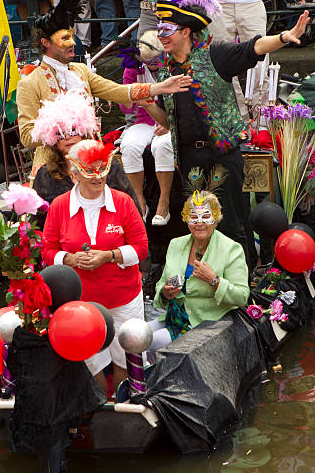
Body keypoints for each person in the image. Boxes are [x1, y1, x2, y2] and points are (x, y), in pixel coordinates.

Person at [141, 0, 311, 254]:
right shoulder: (165, 72)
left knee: (232, 223)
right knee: (197, 224)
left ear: (185, 32)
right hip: (189, 157)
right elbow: (168, 121)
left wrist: (284, 37)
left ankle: (241, 285)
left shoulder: (214, 56)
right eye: (159, 31)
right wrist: (147, 101)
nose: (161, 36)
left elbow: (252, 48)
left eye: (167, 30)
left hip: (222, 155)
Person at [16, 0, 193, 177]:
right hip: (54, 170)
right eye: (65, 38)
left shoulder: (80, 70)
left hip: (92, 163)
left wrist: (159, 88)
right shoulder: (29, 83)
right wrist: (61, 128)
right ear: (46, 43)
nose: (73, 43)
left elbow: (116, 91)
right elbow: (26, 137)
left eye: (72, 36)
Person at [42, 139, 148, 393]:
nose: (99, 176)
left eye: (103, 168)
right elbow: (46, 251)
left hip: (124, 298)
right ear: (73, 172)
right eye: (90, 170)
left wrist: (109, 256)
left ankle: (125, 405)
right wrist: (69, 259)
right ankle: (103, 407)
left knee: (127, 360)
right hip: (82, 304)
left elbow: (141, 248)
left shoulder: (122, 202)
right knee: (92, 365)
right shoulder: (59, 206)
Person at [148, 189, 249, 354]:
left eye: (206, 217)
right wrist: (165, 293)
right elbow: (161, 284)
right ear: (186, 219)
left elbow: (242, 296)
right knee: (135, 335)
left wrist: (214, 279)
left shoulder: (231, 249)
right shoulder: (176, 244)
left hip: (205, 323)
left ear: (216, 219)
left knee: (154, 341)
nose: (199, 223)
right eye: (194, 217)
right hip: (174, 316)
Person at [31, 90, 142, 225]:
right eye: (60, 133)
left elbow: (132, 210)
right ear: (53, 139)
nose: (68, 137)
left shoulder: (107, 164)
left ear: (83, 131)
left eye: (73, 130)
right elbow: (37, 223)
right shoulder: (45, 174)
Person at [118, 30, 175, 224]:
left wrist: (170, 125)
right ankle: (139, 199)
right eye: (147, 61)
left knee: (162, 145)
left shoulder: (173, 66)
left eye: (155, 60)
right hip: (143, 121)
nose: (152, 65)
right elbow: (125, 107)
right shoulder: (133, 68)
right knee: (129, 146)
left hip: (171, 120)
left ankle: (163, 201)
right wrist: (126, 91)